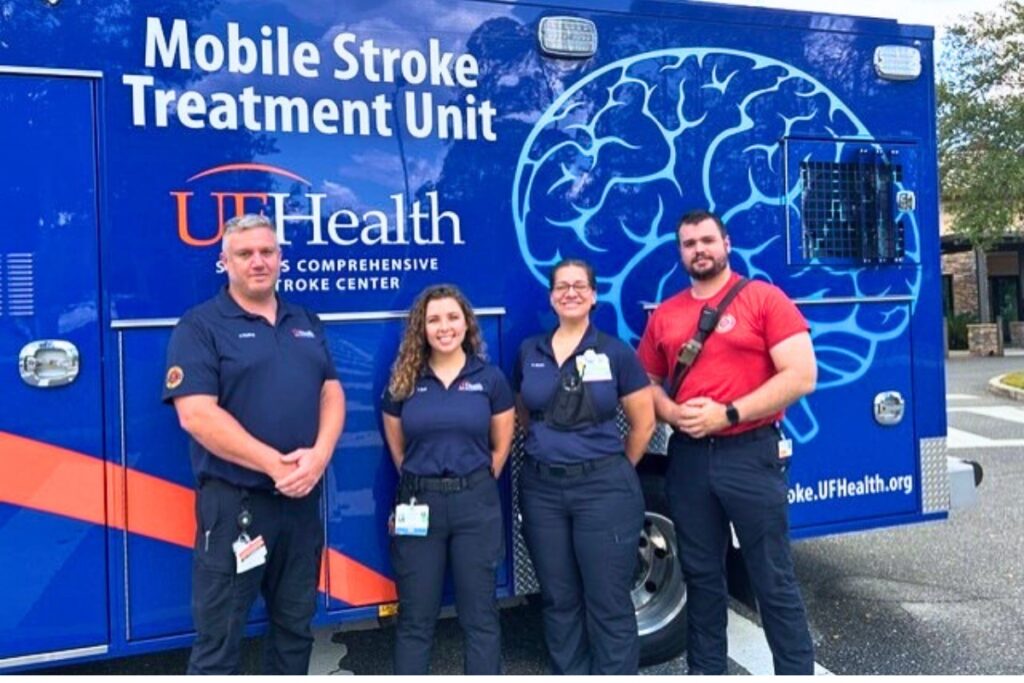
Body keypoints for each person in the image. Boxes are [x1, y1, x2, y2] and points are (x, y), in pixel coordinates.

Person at [162, 214, 345, 675]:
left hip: (301, 504)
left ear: (280, 258)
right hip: (236, 506)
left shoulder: (304, 320)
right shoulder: (200, 326)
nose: (258, 262)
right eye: (245, 254)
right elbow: (195, 414)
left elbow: (331, 392)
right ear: (225, 262)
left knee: (295, 628)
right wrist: (274, 464)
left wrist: (319, 456)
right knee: (220, 636)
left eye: (267, 251)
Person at [637, 209, 817, 675]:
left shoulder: (763, 299)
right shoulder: (667, 314)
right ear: (680, 252)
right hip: (689, 460)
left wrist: (729, 413)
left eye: (706, 240)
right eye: (689, 243)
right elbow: (647, 384)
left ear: (726, 243)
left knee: (772, 580)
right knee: (701, 579)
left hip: (750, 453)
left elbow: (801, 375)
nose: (699, 250)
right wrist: (671, 412)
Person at [513, 258, 656, 675]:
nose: (570, 292)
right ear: (551, 296)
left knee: (607, 600)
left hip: (604, 490)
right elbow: (525, 412)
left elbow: (643, 422)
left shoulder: (614, 352)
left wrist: (611, 468)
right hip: (542, 491)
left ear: (594, 295)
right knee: (558, 599)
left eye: (579, 286)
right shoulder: (530, 351)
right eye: (562, 286)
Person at [381, 284, 515, 675]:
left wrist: (473, 479)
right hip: (418, 505)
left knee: (481, 617)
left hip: (476, 505)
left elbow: (500, 445)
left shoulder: (489, 379)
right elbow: (397, 445)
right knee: (415, 620)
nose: (444, 327)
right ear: (421, 328)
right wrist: (420, 478)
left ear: (467, 324)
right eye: (434, 319)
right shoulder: (404, 380)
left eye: (453, 317)